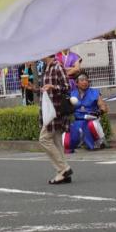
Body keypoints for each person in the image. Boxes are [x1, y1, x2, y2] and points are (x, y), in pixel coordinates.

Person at [38, 53, 73, 185]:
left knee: (44, 139)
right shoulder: (45, 68)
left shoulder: (57, 66)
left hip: (56, 110)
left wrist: (53, 87)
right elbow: (46, 90)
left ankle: (64, 169)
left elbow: (67, 87)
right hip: (48, 110)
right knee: (56, 141)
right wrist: (34, 88)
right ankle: (62, 173)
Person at [65, 72, 107, 152]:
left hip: (90, 120)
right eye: (82, 80)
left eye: (86, 80)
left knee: (92, 125)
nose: (85, 82)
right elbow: (66, 109)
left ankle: (99, 141)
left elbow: (103, 106)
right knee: (66, 142)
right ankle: (80, 143)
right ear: (76, 83)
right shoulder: (71, 94)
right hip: (77, 121)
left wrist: (99, 111)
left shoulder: (95, 92)